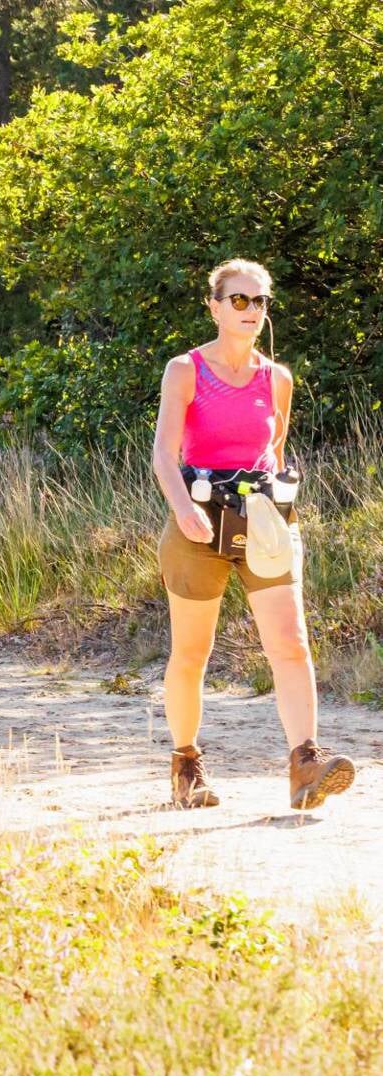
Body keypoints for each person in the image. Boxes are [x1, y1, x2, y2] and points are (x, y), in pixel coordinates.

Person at [151, 259, 354, 811]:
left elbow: (276, 452)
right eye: (238, 300)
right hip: (198, 521)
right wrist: (181, 509)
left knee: (290, 643)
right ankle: (186, 767)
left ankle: (305, 764)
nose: (251, 311)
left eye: (259, 301)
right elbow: (164, 457)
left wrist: (286, 494)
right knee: (192, 652)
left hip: (266, 522)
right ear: (214, 306)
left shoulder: (277, 378)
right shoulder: (185, 370)